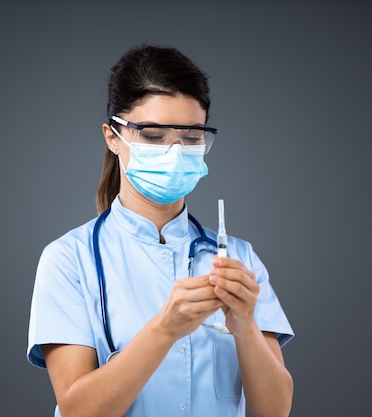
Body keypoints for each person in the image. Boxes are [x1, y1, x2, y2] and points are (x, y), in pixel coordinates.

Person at [27, 43, 295, 417]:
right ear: (112, 137)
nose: (174, 152)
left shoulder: (237, 259)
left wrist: (245, 326)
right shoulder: (70, 259)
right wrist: (164, 329)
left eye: (191, 138)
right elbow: (78, 411)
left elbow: (275, 411)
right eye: (153, 136)